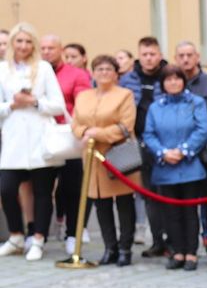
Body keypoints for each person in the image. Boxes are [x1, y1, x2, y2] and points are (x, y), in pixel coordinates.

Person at [0, 22, 66, 261]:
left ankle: (38, 238)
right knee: (6, 189)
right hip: (14, 139)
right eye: (19, 41)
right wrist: (12, 105)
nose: (24, 46)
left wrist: (35, 102)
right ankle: (16, 235)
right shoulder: (2, 70)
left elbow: (58, 104)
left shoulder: (44, 68)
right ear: (12, 44)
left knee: (42, 192)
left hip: (40, 138)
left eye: (28, 41)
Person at [71, 55, 138, 266]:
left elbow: (125, 126)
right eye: (99, 69)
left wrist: (96, 133)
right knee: (101, 204)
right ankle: (110, 248)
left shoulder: (124, 95)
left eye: (108, 69)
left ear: (116, 73)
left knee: (125, 203)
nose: (104, 73)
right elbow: (75, 124)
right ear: (93, 72)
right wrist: (85, 132)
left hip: (117, 156)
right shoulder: (83, 96)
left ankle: (126, 248)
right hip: (92, 158)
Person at [141, 66, 207, 271]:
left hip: (189, 165)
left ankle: (191, 253)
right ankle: (177, 251)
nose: (173, 83)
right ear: (162, 83)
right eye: (168, 79)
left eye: (176, 79)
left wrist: (183, 151)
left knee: (190, 212)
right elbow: (149, 134)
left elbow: (202, 130)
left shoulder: (195, 103)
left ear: (183, 81)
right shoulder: (156, 107)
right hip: (165, 167)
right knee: (170, 213)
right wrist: (163, 153)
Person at [175, 41, 207, 267]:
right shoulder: (171, 82)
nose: (185, 59)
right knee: (184, 205)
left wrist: (193, 145)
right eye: (181, 56)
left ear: (197, 57)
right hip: (178, 159)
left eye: (189, 55)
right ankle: (186, 249)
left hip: (205, 156)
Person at [41, 33, 93, 255]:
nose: (46, 52)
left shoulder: (76, 74)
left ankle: (74, 233)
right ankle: (38, 235)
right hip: (42, 137)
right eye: (42, 48)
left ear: (60, 50)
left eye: (50, 48)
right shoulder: (36, 73)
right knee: (42, 187)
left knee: (73, 186)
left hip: (68, 136)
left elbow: (83, 103)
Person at [120, 36, 169, 258]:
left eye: (153, 54)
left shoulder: (170, 76)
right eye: (145, 55)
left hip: (166, 144)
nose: (149, 59)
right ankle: (157, 240)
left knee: (168, 193)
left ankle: (175, 241)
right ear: (139, 56)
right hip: (137, 143)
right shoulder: (128, 79)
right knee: (148, 195)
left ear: (159, 55)